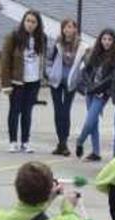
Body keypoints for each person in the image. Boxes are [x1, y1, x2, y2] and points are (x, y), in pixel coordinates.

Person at [0, 10, 46, 153]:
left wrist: (42, 77)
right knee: (15, 111)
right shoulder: (13, 36)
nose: (30, 24)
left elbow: (42, 59)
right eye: (28, 21)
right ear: (23, 21)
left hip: (34, 81)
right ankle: (13, 142)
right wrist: (6, 84)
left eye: (33, 22)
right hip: (17, 81)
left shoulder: (42, 38)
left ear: (37, 24)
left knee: (27, 112)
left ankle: (25, 142)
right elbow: (5, 60)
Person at [75, 28, 115, 162]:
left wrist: (97, 88)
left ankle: (80, 141)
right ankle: (96, 152)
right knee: (93, 122)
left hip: (102, 94)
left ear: (114, 41)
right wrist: (89, 85)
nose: (106, 42)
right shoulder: (95, 54)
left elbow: (112, 78)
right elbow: (85, 71)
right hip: (90, 92)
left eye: (110, 40)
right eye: (104, 39)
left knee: (90, 121)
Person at [45, 18, 86, 157]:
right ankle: (61, 143)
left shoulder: (81, 46)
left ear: (75, 29)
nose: (68, 30)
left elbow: (87, 63)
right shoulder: (57, 43)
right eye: (65, 27)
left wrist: (81, 77)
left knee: (65, 110)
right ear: (62, 29)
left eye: (71, 27)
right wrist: (49, 73)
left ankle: (64, 142)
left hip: (71, 82)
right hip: (56, 80)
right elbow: (49, 59)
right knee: (58, 110)